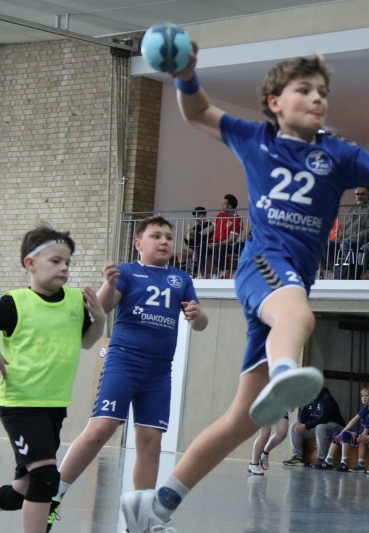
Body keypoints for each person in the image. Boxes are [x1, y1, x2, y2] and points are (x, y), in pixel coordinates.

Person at [121, 47, 369, 533]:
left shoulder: (338, 153)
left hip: (292, 280)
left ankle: (154, 508)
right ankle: (285, 375)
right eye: (304, 90)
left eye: (322, 92)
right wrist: (187, 75)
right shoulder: (254, 138)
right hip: (262, 265)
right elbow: (197, 112)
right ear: (275, 102)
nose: (317, 98)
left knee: (241, 420)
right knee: (299, 318)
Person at [53, 216, 208, 526]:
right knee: (101, 429)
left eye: (168, 237)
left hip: (159, 372)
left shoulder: (180, 279)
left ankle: (141, 516)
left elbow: (200, 324)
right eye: (156, 236)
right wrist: (109, 283)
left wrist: (198, 314)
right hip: (124, 363)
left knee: (151, 441)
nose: (164, 241)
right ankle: (53, 495)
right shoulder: (126, 272)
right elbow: (101, 308)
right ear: (139, 243)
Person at [0, 226, 105, 533]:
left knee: (24, 490)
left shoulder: (74, 301)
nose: (64, 268)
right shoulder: (13, 303)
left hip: (55, 405)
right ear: (30, 264)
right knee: (46, 477)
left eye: (67, 262)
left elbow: (87, 342)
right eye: (56, 261)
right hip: (20, 404)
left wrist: (99, 318)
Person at [284, 387, 345, 469]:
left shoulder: (327, 398)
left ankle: (322, 459)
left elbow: (324, 418)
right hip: (316, 427)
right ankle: (297, 458)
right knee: (294, 427)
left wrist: (306, 426)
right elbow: (303, 414)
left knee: (320, 427)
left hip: (335, 426)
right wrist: (301, 423)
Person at [326, 187, 369, 273]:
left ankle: (352, 271)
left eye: (362, 194)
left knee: (345, 244)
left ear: (368, 196)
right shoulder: (353, 209)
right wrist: (341, 236)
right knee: (327, 244)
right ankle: (336, 271)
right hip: (346, 238)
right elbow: (344, 226)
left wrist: (349, 237)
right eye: (357, 194)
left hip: (362, 240)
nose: (359, 196)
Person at [202, 194, 242, 277]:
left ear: (230, 206)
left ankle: (215, 273)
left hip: (226, 244)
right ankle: (201, 273)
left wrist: (217, 244)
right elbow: (211, 228)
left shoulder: (236, 220)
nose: (221, 206)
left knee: (218, 248)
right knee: (200, 247)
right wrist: (198, 233)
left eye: (224, 204)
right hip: (213, 241)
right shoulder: (220, 215)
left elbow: (231, 239)